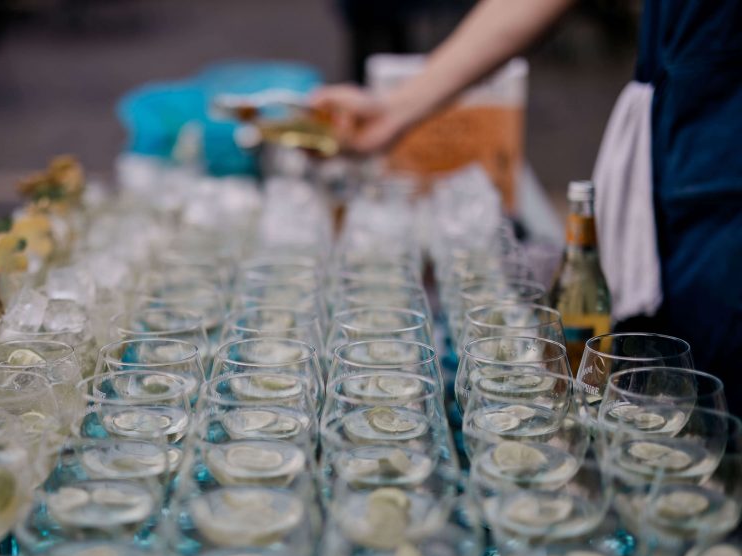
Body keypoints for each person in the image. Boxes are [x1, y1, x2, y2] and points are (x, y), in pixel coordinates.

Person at [313, 0, 742, 414]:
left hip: (720, 157)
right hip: (678, 135)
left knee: (709, 377)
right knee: (673, 375)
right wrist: (393, 110)